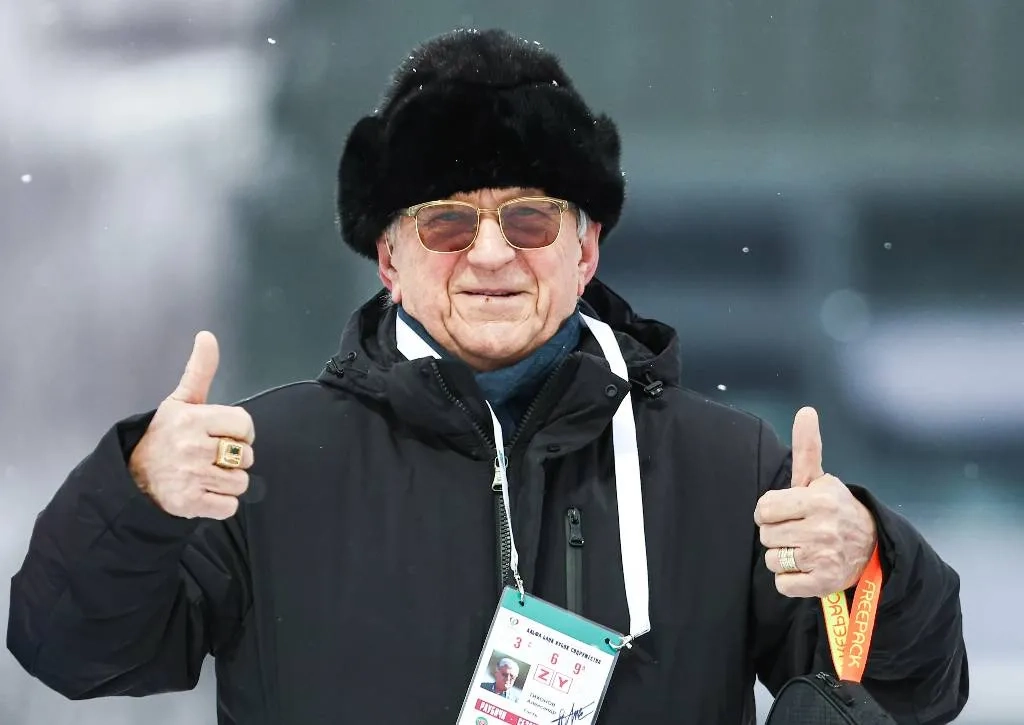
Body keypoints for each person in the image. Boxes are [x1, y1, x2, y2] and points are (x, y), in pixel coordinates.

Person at [7, 28, 967, 725]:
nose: (493, 254)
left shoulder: (728, 470)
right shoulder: (263, 465)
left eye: (532, 218)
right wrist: (136, 492)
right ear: (390, 259)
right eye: (448, 223)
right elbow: (69, 648)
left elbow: (918, 688)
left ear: (586, 250)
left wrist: (869, 562)